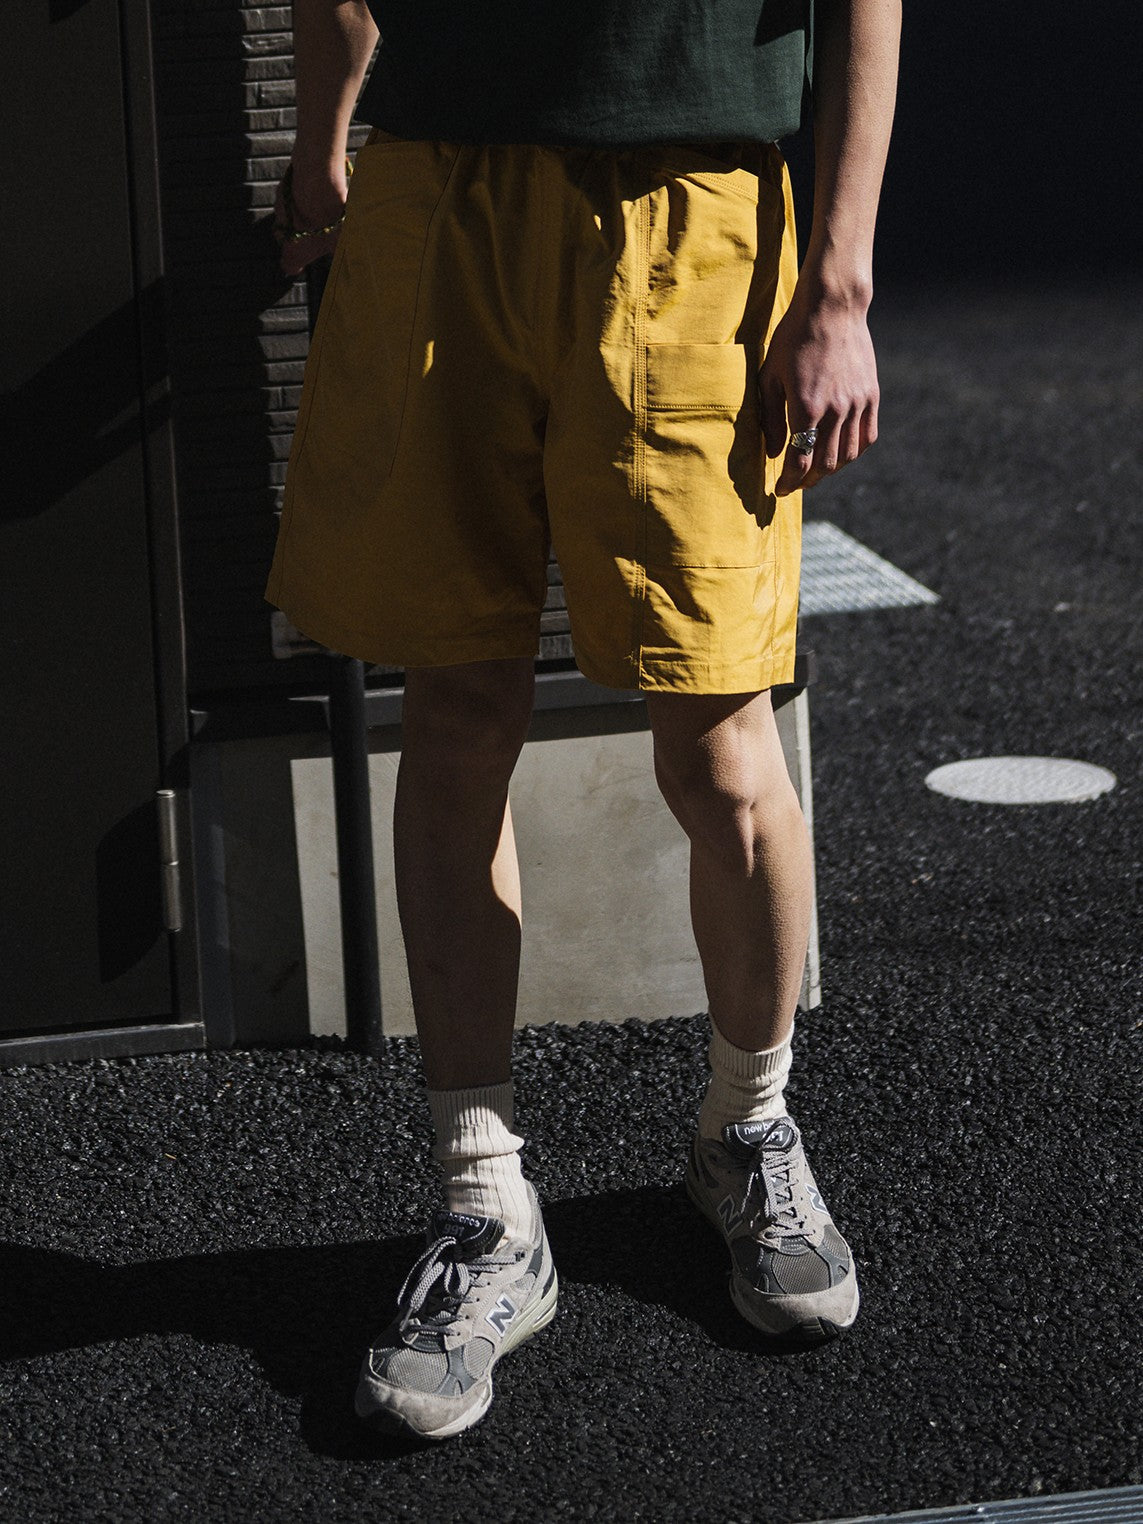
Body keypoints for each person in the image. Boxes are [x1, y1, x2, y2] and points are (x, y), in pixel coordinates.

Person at [268, 0, 900, 1440]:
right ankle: (487, 1207)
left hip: (694, 202)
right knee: (457, 704)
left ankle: (749, 1127)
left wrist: (842, 290)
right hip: (443, 191)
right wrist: (321, 145)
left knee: (720, 735)